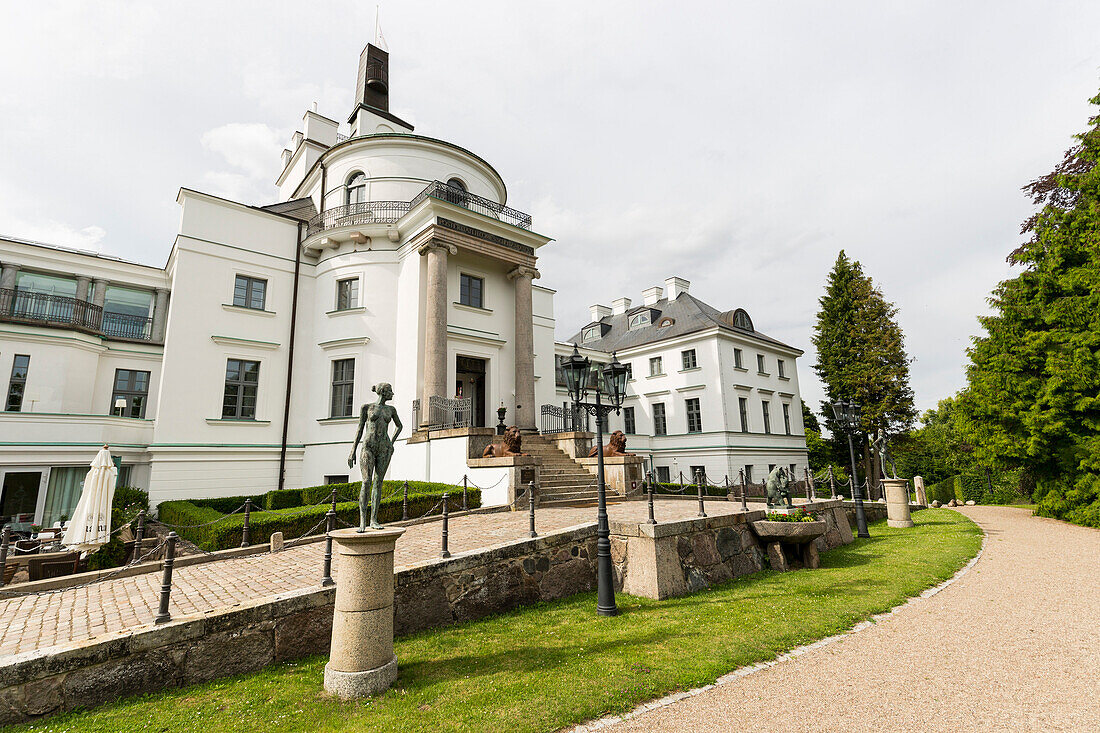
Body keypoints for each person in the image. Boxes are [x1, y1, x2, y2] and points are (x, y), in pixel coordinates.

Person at [347, 382, 403, 531]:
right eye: (390, 391)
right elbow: (359, 430)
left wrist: (391, 443)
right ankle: (362, 522)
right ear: (383, 392)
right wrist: (353, 451)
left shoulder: (391, 410)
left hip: (384, 448)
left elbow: (400, 426)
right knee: (366, 482)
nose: (392, 393)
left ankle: (374, 520)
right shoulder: (367, 408)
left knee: (378, 483)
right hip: (368, 447)